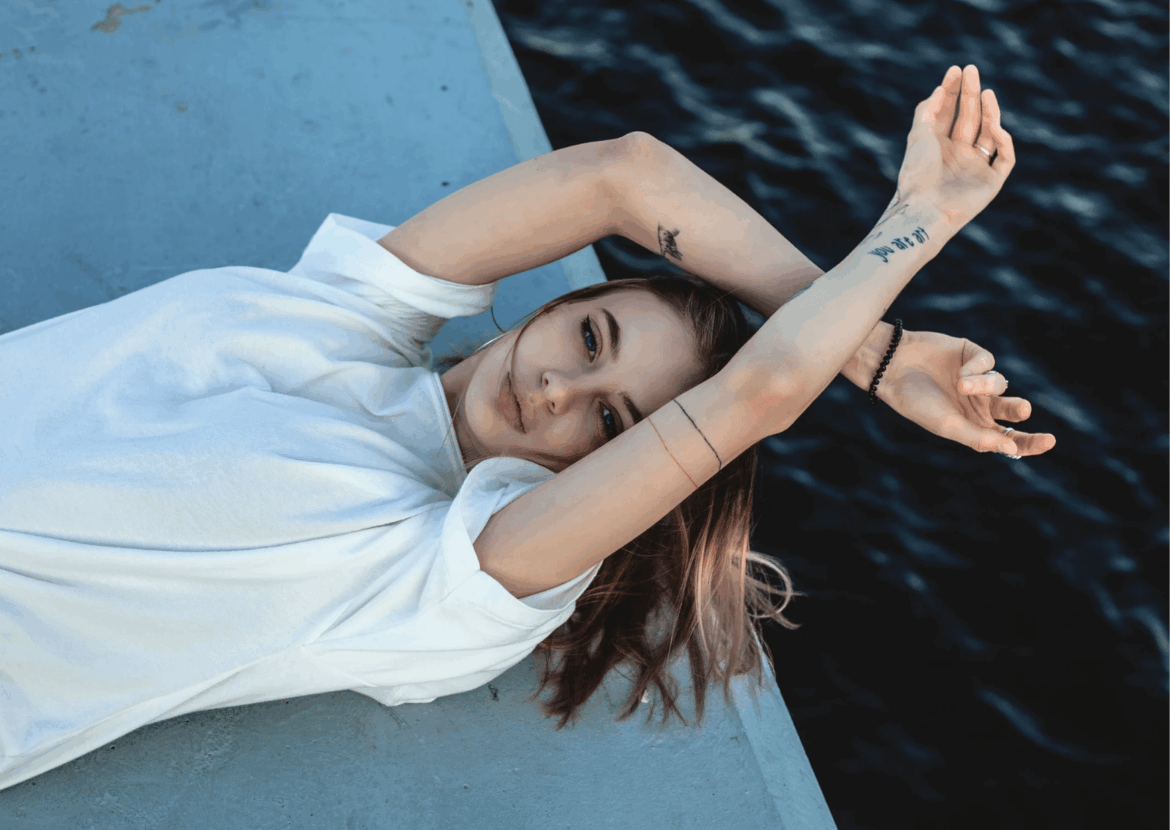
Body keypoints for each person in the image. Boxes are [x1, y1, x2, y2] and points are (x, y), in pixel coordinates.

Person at [0, 64, 1054, 790]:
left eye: (610, 421)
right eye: (589, 337)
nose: (555, 388)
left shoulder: (446, 576)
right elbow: (622, 175)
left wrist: (921, 219)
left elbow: (754, 398)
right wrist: (873, 349)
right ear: (549, 305)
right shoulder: (344, 315)